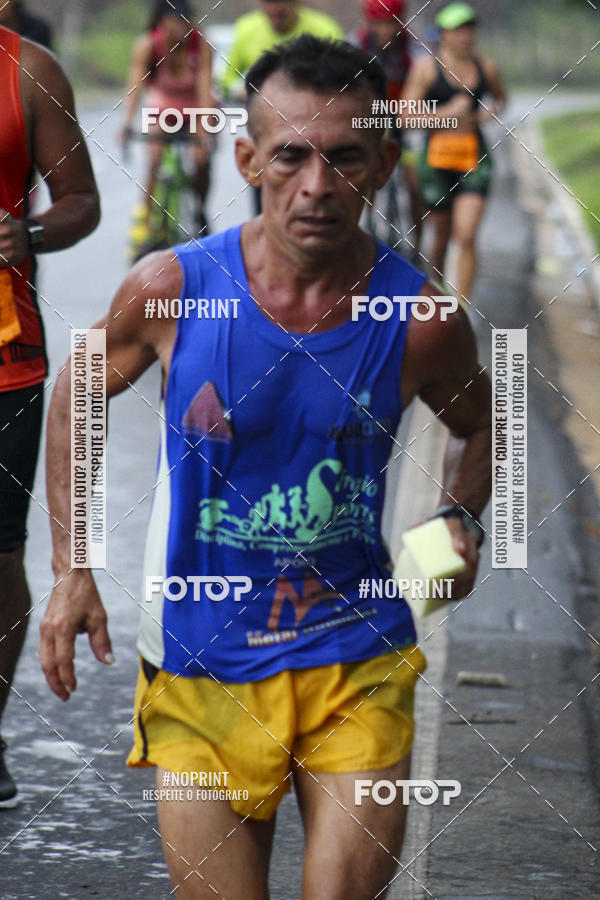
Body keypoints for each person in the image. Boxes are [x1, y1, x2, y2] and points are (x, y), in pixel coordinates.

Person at [40, 36, 491, 898]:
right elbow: (77, 387)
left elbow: (481, 424)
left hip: (355, 656)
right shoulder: (172, 287)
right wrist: (72, 569)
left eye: (345, 158)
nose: (317, 186)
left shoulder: (424, 317)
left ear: (384, 163)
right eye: (291, 155)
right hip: (200, 663)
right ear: (247, 157)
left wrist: (457, 522)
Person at [0, 25, 100, 808]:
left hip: (6, 359)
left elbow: (81, 204)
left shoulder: (28, 71)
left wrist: (27, 233)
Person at [402, 1, 507, 304]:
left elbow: (500, 98)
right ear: (444, 34)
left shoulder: (486, 67)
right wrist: (446, 113)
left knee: (466, 235)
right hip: (436, 160)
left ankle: (462, 305)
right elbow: (406, 118)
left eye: (469, 30)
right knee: (442, 238)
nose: (465, 37)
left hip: (474, 158)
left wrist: (486, 115)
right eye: (458, 30)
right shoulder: (426, 71)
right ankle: (438, 294)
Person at [121, 0, 213, 252]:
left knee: (201, 158)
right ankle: (147, 223)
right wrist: (127, 125)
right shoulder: (148, 45)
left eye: (186, 24)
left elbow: (205, 90)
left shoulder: (201, 45)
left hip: (193, 106)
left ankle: (198, 208)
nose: (181, 31)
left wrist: (204, 130)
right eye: (175, 24)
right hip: (162, 109)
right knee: (154, 161)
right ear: (162, 24)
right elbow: (135, 88)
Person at [349, 0, 424, 260]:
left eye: (390, 23)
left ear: (400, 23)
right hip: (371, 118)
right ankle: (365, 226)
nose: (384, 30)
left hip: (407, 119)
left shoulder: (414, 48)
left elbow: (429, 80)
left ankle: (417, 242)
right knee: (364, 172)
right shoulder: (356, 46)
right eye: (378, 23)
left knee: (416, 182)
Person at [221, 0, 343, 100]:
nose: (275, 21)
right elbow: (227, 80)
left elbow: (340, 78)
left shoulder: (325, 29)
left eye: (282, 15)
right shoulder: (245, 28)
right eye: (269, 15)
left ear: (297, 3)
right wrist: (240, 90)